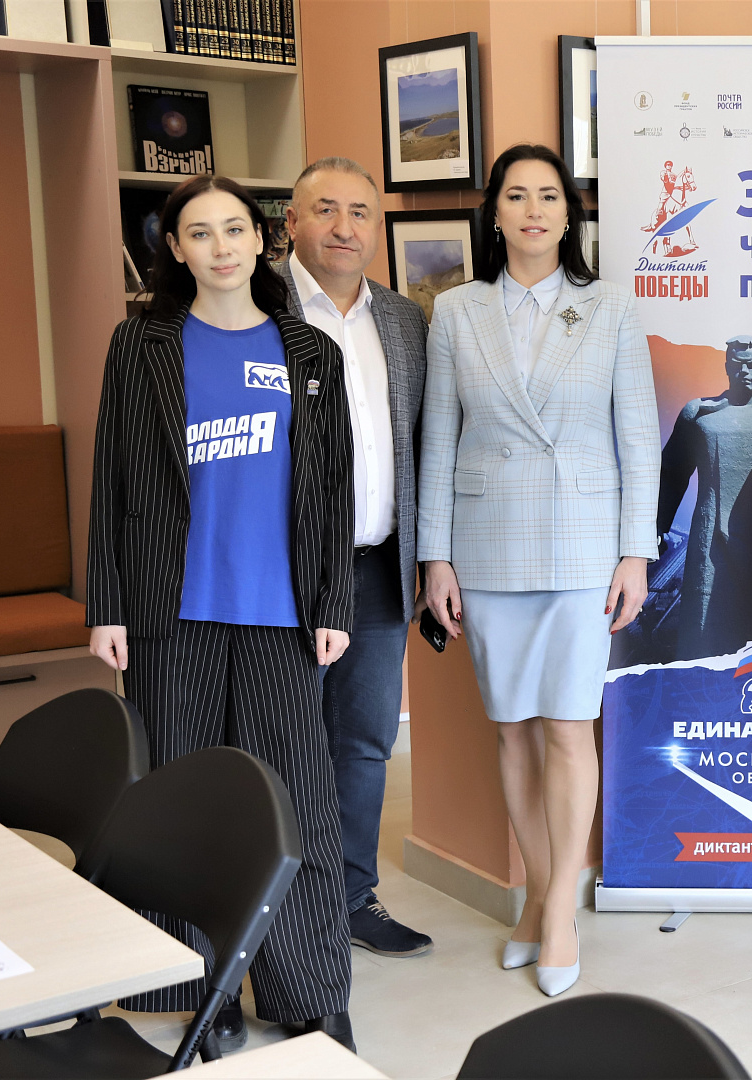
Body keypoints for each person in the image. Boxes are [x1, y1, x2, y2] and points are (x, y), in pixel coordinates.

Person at [85, 174, 357, 1052]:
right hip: (171, 611)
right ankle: (192, 987)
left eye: (234, 228)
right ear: (176, 249)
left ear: (261, 238)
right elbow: (111, 477)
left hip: (283, 613)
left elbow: (335, 491)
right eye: (199, 232)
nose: (221, 246)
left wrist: (335, 601)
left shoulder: (310, 353)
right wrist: (107, 605)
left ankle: (309, 987)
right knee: (179, 803)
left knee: (298, 805)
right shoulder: (141, 345)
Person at [417, 143, 660, 998]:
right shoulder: (456, 311)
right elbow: (437, 441)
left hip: (584, 547)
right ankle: (536, 897)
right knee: (513, 729)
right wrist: (434, 555)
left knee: (566, 728)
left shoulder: (610, 307)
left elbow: (638, 438)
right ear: (494, 213)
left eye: (548, 196)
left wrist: (636, 552)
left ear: (569, 213)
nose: (532, 210)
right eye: (516, 196)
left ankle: (558, 911)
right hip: (487, 547)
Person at [278, 157, 433, 972]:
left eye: (361, 213)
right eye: (325, 210)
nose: (344, 228)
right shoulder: (255, 309)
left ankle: (349, 898)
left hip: (378, 569)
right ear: (291, 223)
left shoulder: (403, 320)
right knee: (282, 739)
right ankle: (276, 908)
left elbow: (424, 443)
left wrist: (430, 558)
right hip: (284, 570)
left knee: (365, 740)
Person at [656, 334, 752, 660]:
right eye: (737, 364)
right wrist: (654, 530)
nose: (745, 371)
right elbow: (671, 476)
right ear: (726, 366)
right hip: (710, 546)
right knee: (705, 640)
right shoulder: (700, 414)